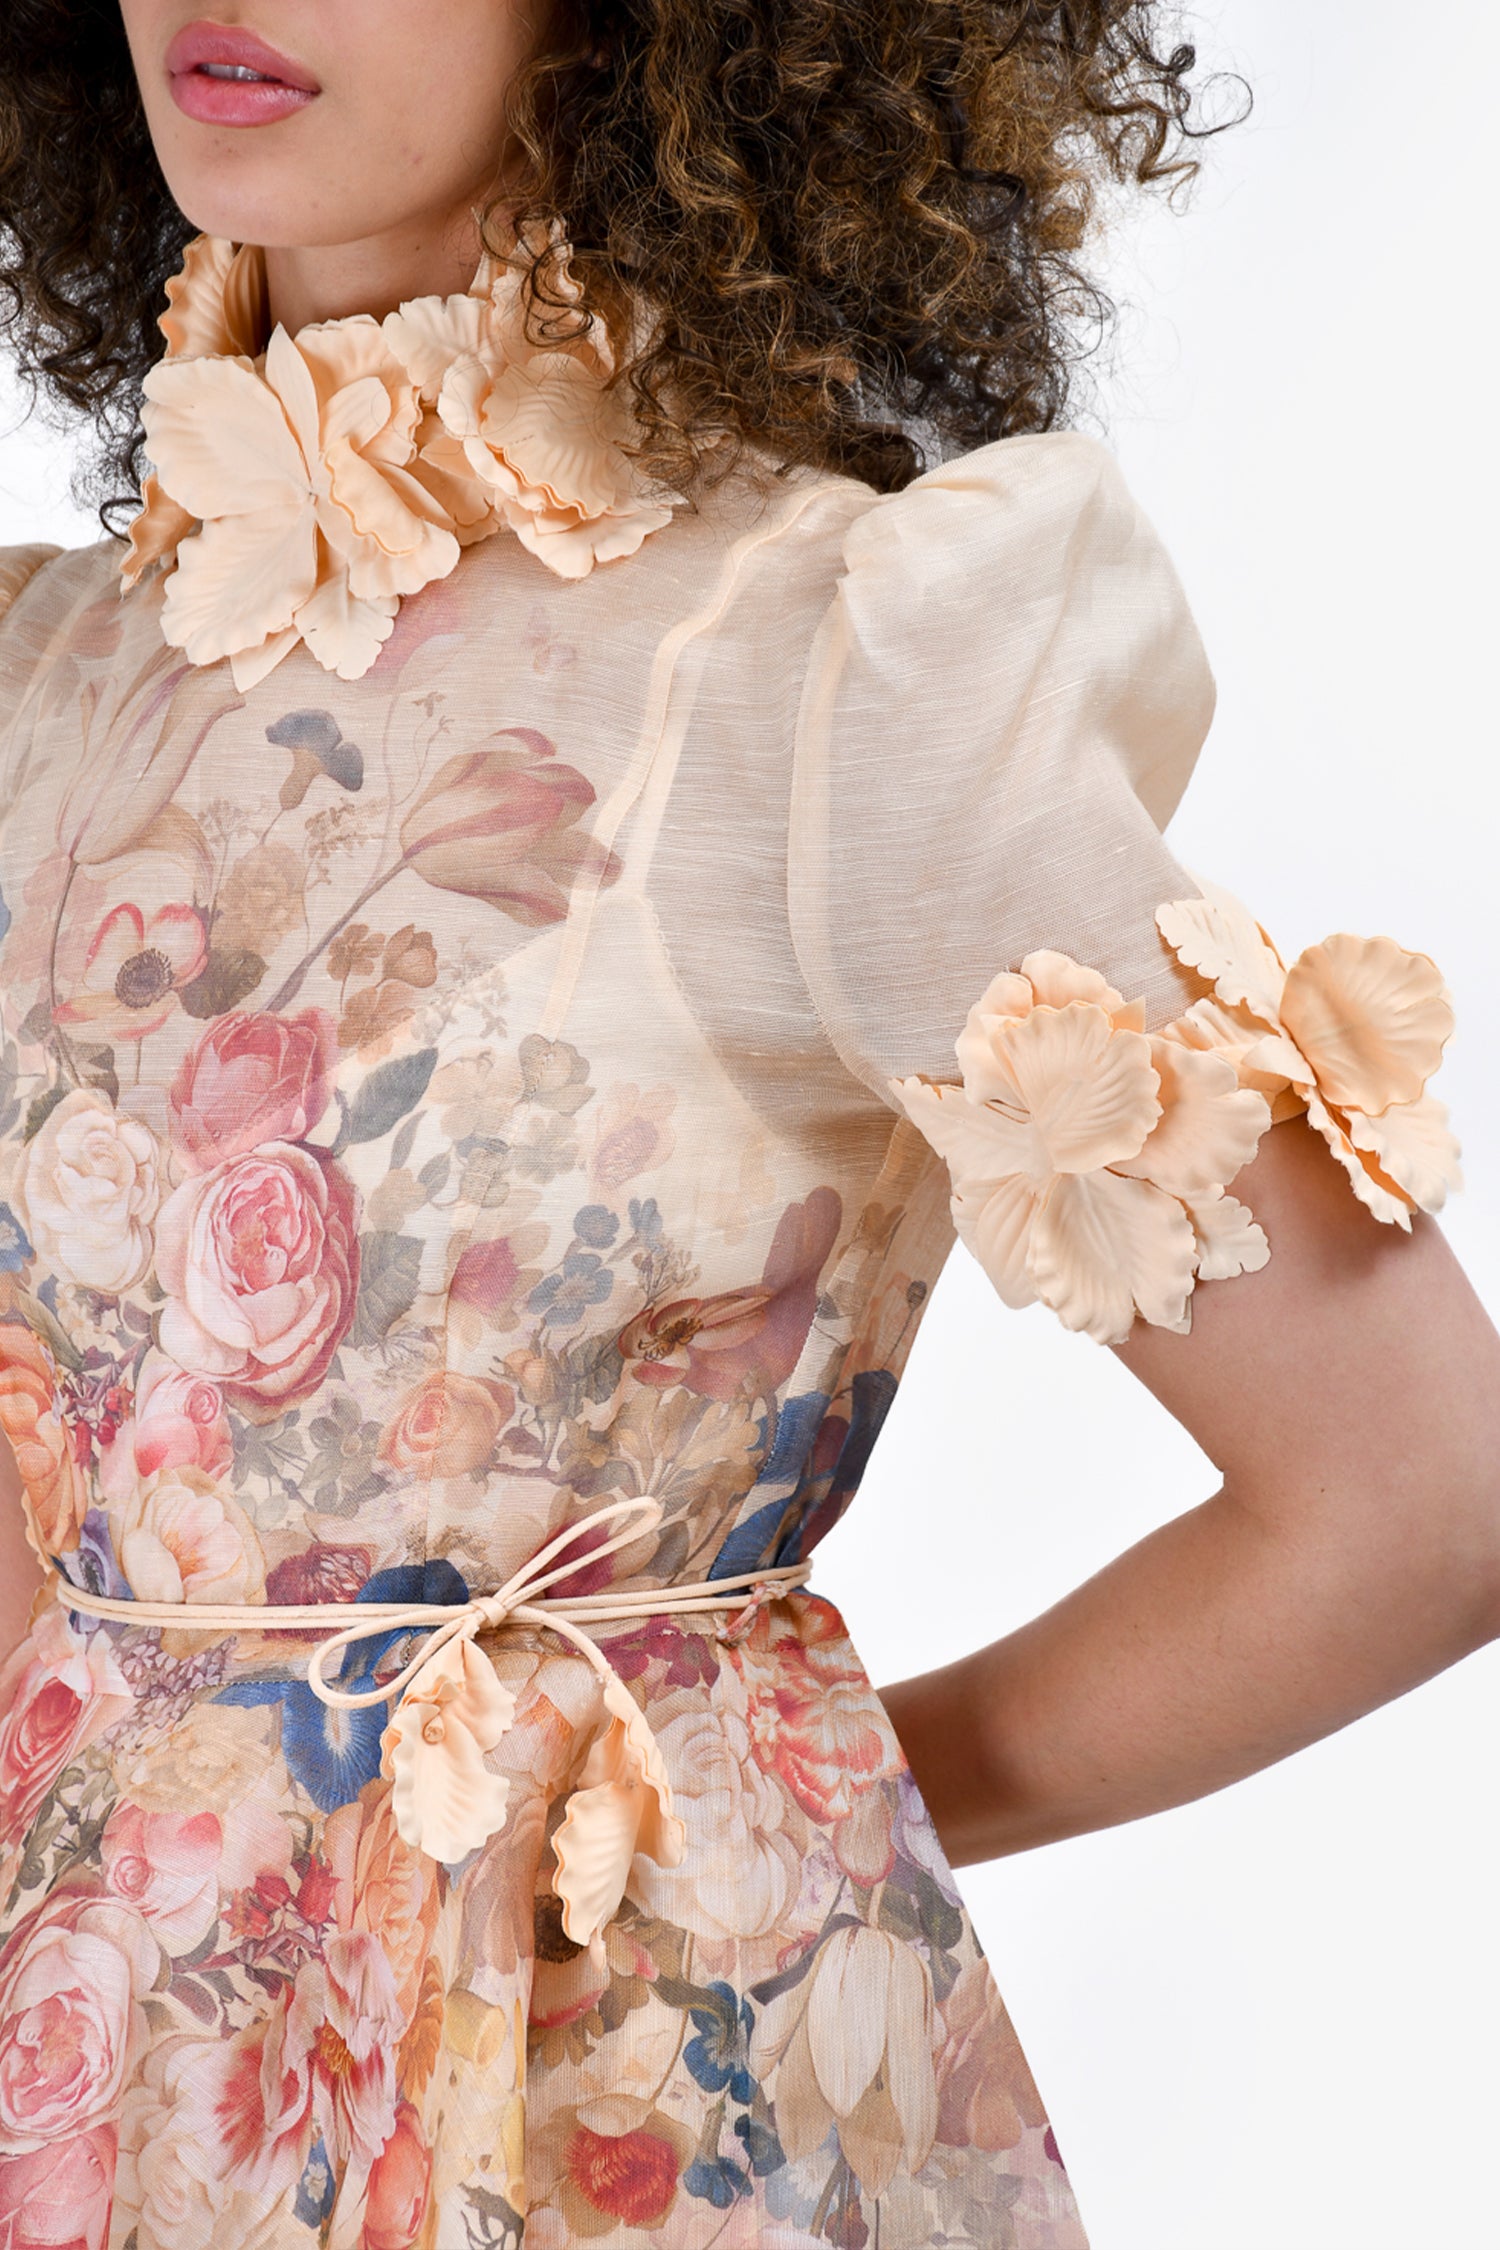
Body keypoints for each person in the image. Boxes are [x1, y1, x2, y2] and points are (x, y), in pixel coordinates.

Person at [0, 2, 1494, 2244]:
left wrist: (785, 1792)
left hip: (622, 2124)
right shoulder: (40, 684)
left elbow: (1420, 1495)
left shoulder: (837, 671)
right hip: (106, 2104)